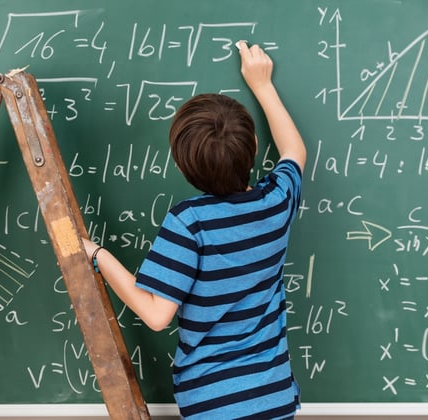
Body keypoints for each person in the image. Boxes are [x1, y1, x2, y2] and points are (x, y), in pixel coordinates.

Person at [83, 40, 306, 419]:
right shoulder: (276, 201)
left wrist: (96, 255)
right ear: (253, 146)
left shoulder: (189, 222)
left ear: (184, 165)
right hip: (273, 393)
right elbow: (294, 152)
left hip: (210, 400)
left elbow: (156, 316)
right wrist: (262, 86)